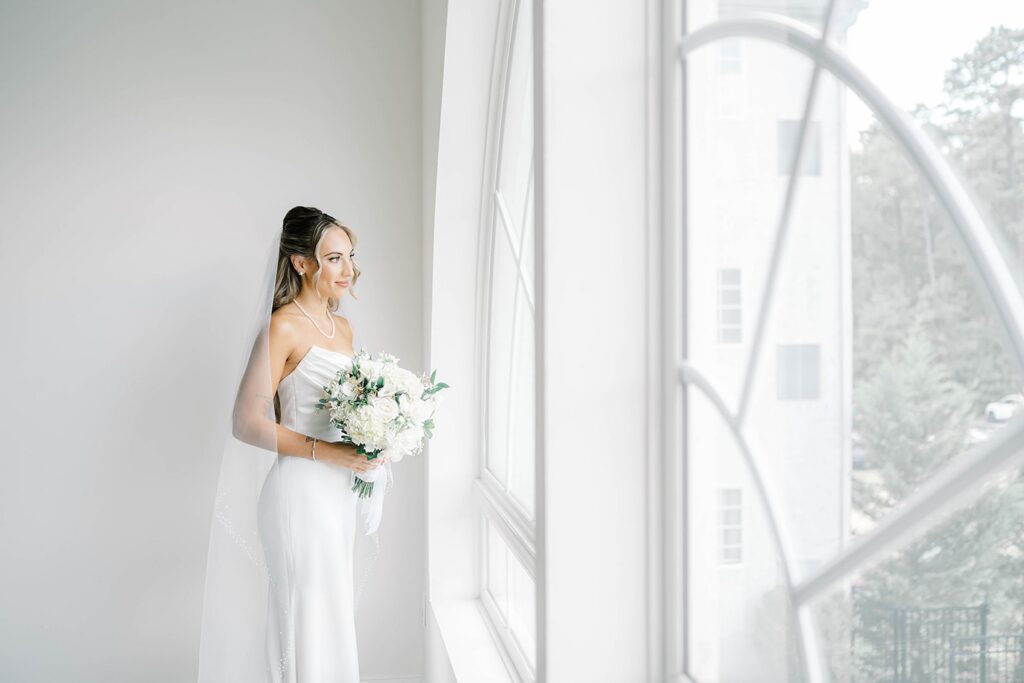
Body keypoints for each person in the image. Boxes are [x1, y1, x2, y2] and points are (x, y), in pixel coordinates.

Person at [198, 206, 391, 683]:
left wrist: (378, 437)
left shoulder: (343, 328)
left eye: (350, 256)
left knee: (332, 617)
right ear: (302, 263)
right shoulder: (282, 325)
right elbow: (246, 422)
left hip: (339, 495)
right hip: (299, 496)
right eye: (334, 258)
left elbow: (350, 412)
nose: (349, 270)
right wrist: (329, 453)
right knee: (305, 618)